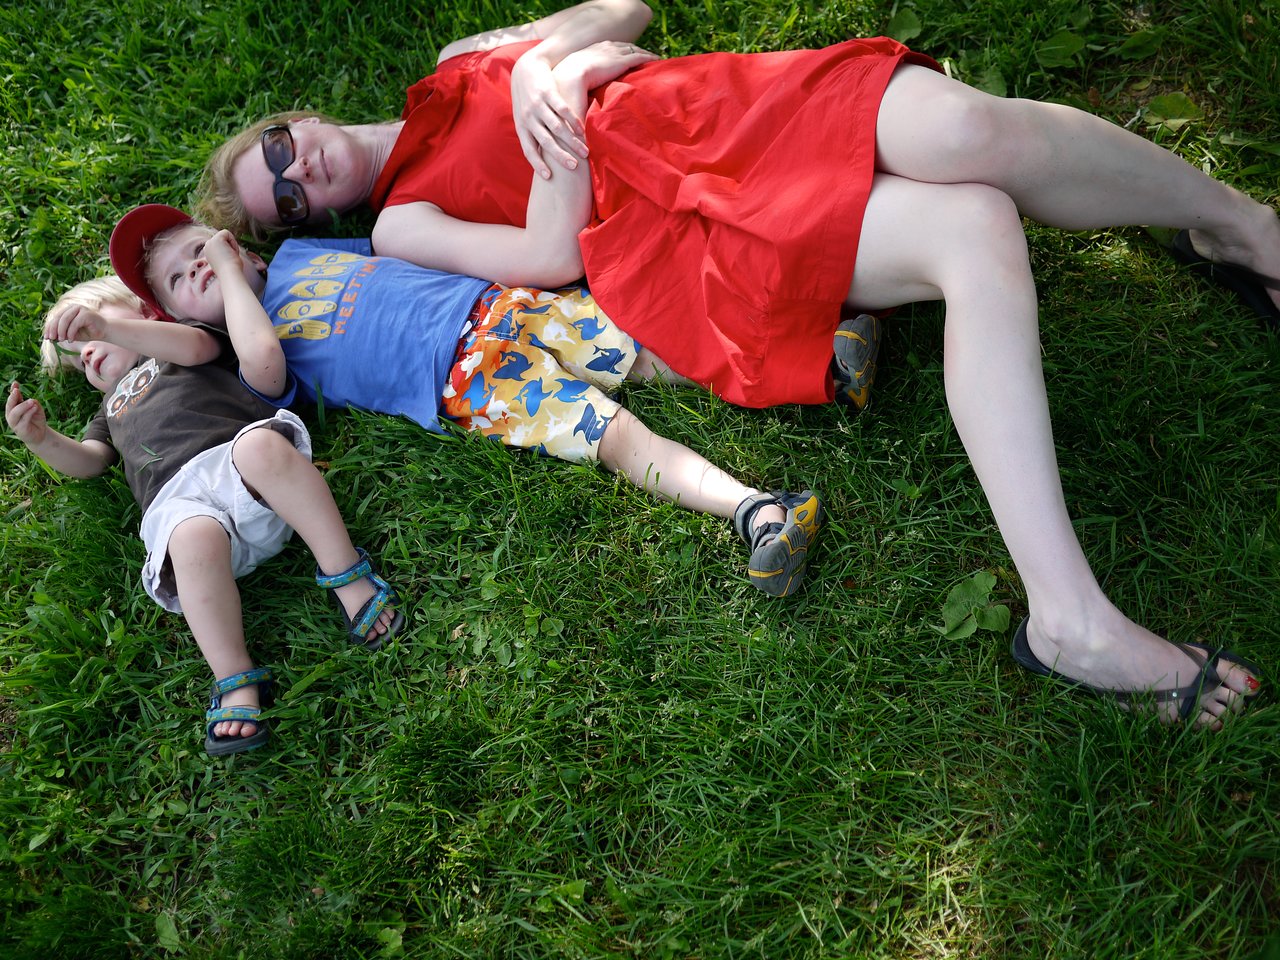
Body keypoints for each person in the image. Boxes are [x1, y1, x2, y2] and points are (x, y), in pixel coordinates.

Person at [198, 0, 1275, 727]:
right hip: (671, 231)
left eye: (279, 153)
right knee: (973, 232)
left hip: (703, 111)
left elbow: (622, 9)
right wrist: (561, 123)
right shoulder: (401, 226)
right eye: (287, 201)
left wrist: (547, 60)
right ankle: (1069, 621)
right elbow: (545, 253)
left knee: (962, 133)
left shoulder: (457, 64)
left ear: (292, 120)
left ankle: (1239, 228)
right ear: (319, 218)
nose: (302, 174)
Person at [107, 202, 830, 600]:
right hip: (471, 381)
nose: (197, 264)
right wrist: (229, 281)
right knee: (613, 438)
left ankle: (822, 354)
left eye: (199, 248)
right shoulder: (247, 356)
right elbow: (261, 356)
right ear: (185, 322)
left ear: (242, 243)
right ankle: (758, 511)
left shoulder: (303, 252)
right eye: (179, 278)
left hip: (501, 305)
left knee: (657, 350)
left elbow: (409, 252)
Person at [6, 276, 406, 757]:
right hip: (180, 502)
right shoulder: (109, 409)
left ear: (143, 312)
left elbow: (197, 348)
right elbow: (91, 461)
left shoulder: (176, 341)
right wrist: (41, 440)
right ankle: (234, 677)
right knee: (187, 539)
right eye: (79, 360)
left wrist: (109, 328)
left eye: (89, 337)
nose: (89, 354)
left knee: (262, 446)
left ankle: (347, 576)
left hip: (239, 466)